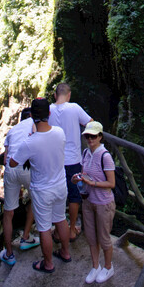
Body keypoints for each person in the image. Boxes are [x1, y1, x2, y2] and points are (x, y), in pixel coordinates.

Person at [11, 97, 71, 273]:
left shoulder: (30, 142)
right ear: (49, 114)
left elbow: (13, 163)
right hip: (61, 185)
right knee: (60, 219)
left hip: (42, 190)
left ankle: (48, 263)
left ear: (31, 116)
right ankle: (66, 253)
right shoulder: (60, 133)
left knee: (44, 227)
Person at [49, 82, 92, 241]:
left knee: (55, 194)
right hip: (73, 159)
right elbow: (91, 123)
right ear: (69, 95)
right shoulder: (74, 108)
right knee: (74, 195)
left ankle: (58, 229)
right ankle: (72, 229)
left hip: (54, 160)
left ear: (55, 95)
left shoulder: (49, 109)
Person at [74, 121, 116, 283]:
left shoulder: (106, 157)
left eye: (93, 136)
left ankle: (108, 267)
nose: (90, 139)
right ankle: (95, 266)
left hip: (103, 203)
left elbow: (111, 183)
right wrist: (77, 179)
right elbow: (85, 173)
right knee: (91, 236)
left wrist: (93, 184)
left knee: (104, 237)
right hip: (88, 201)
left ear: (100, 137)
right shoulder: (86, 153)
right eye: (87, 136)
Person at [0, 107, 38, 266]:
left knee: (8, 212)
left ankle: (8, 253)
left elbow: (5, 158)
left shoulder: (12, 131)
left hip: (11, 167)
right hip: (28, 167)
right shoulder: (35, 123)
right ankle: (26, 237)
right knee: (36, 200)